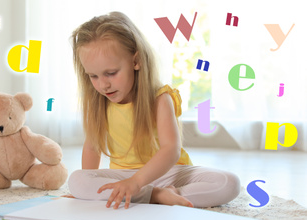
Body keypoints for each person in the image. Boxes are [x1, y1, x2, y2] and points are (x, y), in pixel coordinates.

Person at [68, 11, 240, 209]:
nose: (103, 85)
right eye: (93, 76)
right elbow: (92, 147)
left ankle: (150, 194)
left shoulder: (160, 98)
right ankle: (156, 196)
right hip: (125, 176)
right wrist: (84, 193)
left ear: (136, 61)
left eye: (111, 73)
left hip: (169, 172)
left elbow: (171, 150)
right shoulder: (99, 102)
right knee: (77, 180)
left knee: (229, 183)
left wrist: (137, 182)